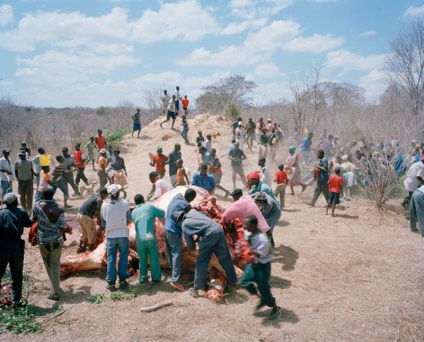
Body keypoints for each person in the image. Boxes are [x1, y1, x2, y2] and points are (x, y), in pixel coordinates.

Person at [175, 209, 238, 298]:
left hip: (209, 235)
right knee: (225, 258)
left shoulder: (184, 224)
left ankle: (196, 289)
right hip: (218, 230)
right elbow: (204, 219)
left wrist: (194, 245)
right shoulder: (193, 212)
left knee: (202, 262)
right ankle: (233, 283)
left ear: (179, 220)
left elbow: (191, 245)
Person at [240, 215, 281, 320]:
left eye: (247, 225)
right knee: (244, 282)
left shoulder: (262, 239)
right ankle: (262, 299)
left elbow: (260, 254)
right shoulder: (249, 232)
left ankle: (275, 308)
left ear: (254, 225)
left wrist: (246, 251)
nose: (245, 227)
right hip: (253, 263)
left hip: (263, 265)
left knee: (263, 288)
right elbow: (244, 241)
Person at [32, 188, 69, 300]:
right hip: (57, 240)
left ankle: (55, 291)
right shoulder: (60, 208)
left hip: (44, 241)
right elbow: (63, 227)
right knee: (55, 264)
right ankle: (55, 288)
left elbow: (31, 219)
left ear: (42, 196)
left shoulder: (37, 206)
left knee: (48, 264)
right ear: (53, 195)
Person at [0, 193, 32, 307]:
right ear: (14, 202)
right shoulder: (21, 212)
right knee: (16, 274)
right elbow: (29, 223)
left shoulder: (0, 213)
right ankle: (16, 301)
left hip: (2, 246)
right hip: (17, 246)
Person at [165, 188, 197, 291]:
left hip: (166, 228)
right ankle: (176, 280)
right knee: (176, 254)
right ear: (192, 198)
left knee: (171, 253)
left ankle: (175, 273)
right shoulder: (186, 206)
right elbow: (187, 223)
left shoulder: (177, 196)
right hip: (174, 231)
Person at [101, 184, 131, 291]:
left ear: (109, 194)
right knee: (123, 257)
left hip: (111, 235)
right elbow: (128, 218)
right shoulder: (125, 203)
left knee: (111, 259)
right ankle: (123, 280)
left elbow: (104, 222)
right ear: (118, 193)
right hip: (123, 234)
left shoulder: (104, 205)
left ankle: (111, 282)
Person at [132, 194, 165, 284]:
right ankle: (156, 278)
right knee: (153, 257)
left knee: (142, 259)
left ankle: (143, 278)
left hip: (139, 238)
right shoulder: (149, 207)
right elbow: (162, 213)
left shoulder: (134, 212)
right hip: (149, 236)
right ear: (143, 200)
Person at [77, 188, 109, 253]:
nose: (107, 197)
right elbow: (98, 214)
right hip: (86, 217)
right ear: (103, 194)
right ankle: (89, 250)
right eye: (106, 195)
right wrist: (101, 225)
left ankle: (80, 247)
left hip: (79, 215)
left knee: (84, 232)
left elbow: (91, 208)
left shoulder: (94, 196)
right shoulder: (100, 200)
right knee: (92, 233)